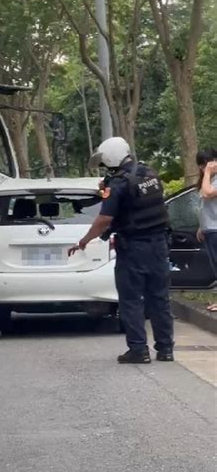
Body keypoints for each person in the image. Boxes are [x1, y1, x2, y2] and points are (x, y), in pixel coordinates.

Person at [69, 137, 174, 364]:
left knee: (131, 300)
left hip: (133, 248)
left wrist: (85, 240)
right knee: (159, 299)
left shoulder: (117, 184)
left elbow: (105, 218)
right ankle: (166, 349)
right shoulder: (150, 174)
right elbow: (137, 202)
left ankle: (139, 350)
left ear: (110, 157)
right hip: (159, 245)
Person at [196, 149, 217, 310]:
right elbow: (205, 205)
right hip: (209, 229)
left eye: (206, 165)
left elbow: (207, 193)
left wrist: (208, 172)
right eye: (201, 166)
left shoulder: (212, 180)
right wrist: (201, 226)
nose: (203, 169)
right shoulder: (209, 179)